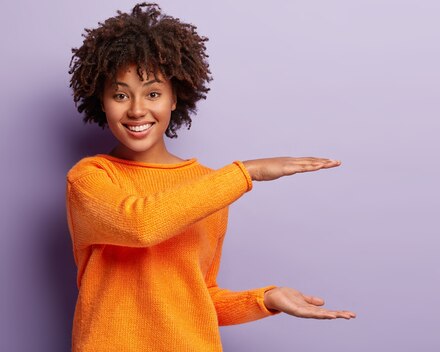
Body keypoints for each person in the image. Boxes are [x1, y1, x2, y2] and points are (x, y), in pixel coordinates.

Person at [65, 2, 355, 351]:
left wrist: (266, 299)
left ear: (175, 98)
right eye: (120, 95)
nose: (137, 109)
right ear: (102, 100)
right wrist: (246, 173)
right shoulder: (90, 179)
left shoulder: (209, 185)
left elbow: (198, 298)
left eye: (153, 93)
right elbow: (139, 224)